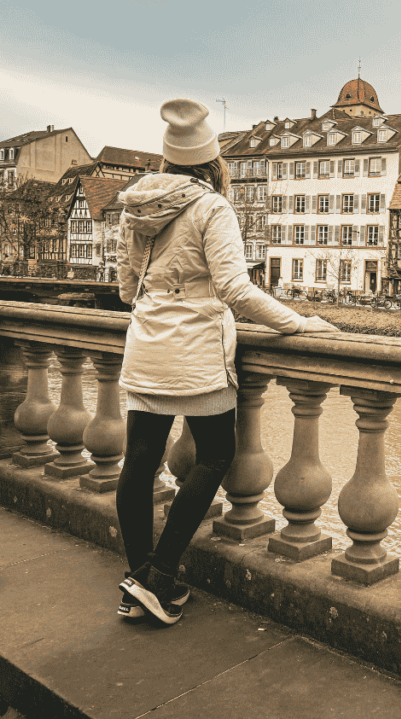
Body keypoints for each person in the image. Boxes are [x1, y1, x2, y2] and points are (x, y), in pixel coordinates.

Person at [115, 99, 338, 625]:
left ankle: (139, 581)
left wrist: (162, 296)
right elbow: (236, 290)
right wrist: (299, 323)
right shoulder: (212, 208)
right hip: (195, 354)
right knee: (216, 454)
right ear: (213, 163)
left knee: (140, 461)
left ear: (168, 161)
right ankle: (161, 574)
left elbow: (128, 289)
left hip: (146, 346)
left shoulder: (137, 207)